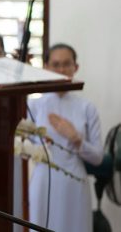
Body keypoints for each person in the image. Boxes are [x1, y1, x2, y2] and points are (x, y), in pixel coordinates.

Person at [28, 43, 102, 232]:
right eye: (56, 64)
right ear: (46, 67)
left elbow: (98, 157)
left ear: (75, 67)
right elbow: (22, 147)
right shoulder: (34, 106)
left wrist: (76, 139)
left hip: (74, 183)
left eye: (66, 64)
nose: (61, 70)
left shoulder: (86, 108)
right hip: (43, 181)